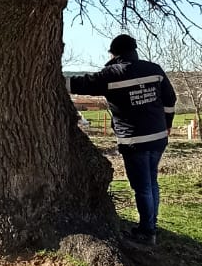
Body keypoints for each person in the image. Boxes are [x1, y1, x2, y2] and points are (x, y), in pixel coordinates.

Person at [68, 34, 176, 245]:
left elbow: (81, 84)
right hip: (158, 137)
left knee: (142, 186)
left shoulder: (112, 74)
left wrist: (50, 76)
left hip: (134, 140)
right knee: (151, 181)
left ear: (113, 53)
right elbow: (170, 99)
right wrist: (168, 123)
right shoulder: (154, 70)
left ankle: (147, 232)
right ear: (134, 50)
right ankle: (151, 226)